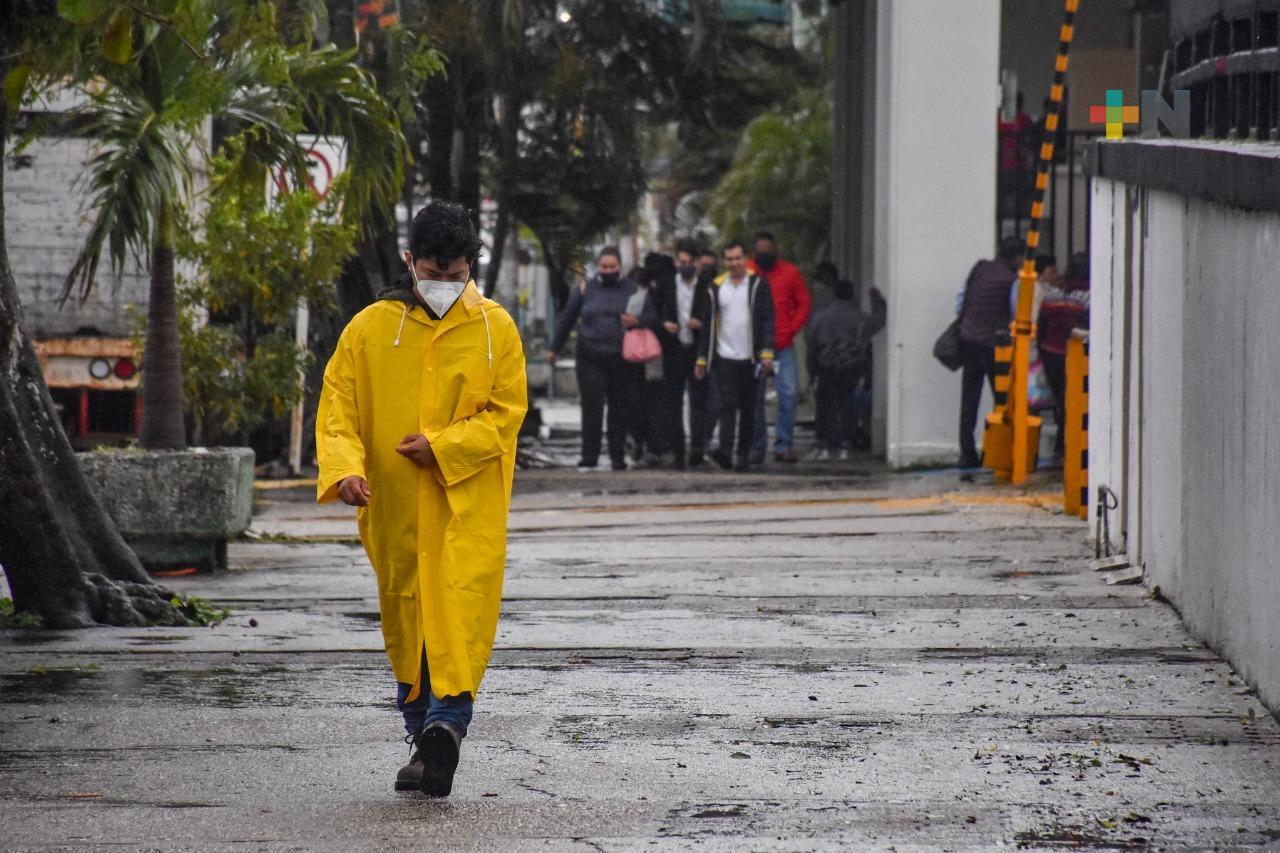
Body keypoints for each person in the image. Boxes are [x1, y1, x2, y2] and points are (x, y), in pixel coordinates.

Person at [315, 201, 527, 797]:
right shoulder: (369, 329)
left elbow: (507, 416)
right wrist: (344, 470)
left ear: (472, 266)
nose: (444, 286)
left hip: (467, 505)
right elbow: (339, 410)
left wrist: (442, 446)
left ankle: (443, 727)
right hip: (397, 504)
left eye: (455, 275)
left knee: (456, 615)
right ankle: (429, 739)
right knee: (409, 617)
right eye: (433, 275)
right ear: (410, 262)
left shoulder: (496, 330)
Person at [549, 247, 648, 471]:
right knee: (592, 407)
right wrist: (555, 348)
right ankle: (589, 456)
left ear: (620, 267)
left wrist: (637, 322)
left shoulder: (633, 290)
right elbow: (567, 317)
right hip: (590, 356)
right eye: (604, 267)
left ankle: (617, 457)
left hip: (622, 359)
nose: (608, 270)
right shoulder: (586, 288)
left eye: (612, 267)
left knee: (619, 408)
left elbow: (649, 317)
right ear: (598, 267)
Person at [695, 241, 774, 472]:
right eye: (729, 259)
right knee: (727, 404)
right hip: (724, 355)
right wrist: (702, 359)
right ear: (724, 261)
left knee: (749, 407)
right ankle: (726, 450)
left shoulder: (758, 284)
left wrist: (767, 353)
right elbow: (708, 326)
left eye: (738, 258)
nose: (734, 263)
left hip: (750, 357)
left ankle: (743, 454)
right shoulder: (717, 288)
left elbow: (768, 319)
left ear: (746, 258)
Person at [957, 235, 1022, 468]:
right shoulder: (1012, 279)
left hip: (969, 339)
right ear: (1017, 258)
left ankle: (967, 453)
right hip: (996, 345)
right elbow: (1016, 311)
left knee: (969, 400)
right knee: (1002, 401)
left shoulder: (980, 268)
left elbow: (960, 301)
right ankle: (998, 450)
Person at [807, 279, 886, 460]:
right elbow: (878, 321)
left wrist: (812, 370)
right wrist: (878, 301)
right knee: (847, 403)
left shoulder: (821, 316)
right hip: (849, 366)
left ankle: (823, 441)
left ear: (834, 294)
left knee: (825, 404)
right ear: (851, 296)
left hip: (825, 365)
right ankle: (845, 441)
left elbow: (812, 344)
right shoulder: (858, 317)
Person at [749, 231, 810, 464]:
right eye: (761, 252)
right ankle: (757, 446)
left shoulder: (790, 273)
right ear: (755, 254)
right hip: (756, 347)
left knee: (789, 394)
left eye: (769, 251)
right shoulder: (747, 272)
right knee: (755, 398)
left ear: (775, 251)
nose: (765, 256)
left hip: (783, 344)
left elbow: (803, 303)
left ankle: (783, 445)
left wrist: (791, 328)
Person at [654, 241, 713, 468]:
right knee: (673, 403)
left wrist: (701, 324)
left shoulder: (707, 287)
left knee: (699, 402)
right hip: (673, 349)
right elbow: (654, 313)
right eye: (681, 262)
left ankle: (696, 450)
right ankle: (678, 452)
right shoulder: (666, 285)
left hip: (697, 350)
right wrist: (664, 325)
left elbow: (715, 318)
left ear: (697, 264)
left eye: (689, 263)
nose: (685, 266)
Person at [1037, 252, 1090, 458]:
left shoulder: (1053, 296)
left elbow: (1042, 325)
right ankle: (1072, 445)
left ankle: (1061, 445)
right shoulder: (1088, 297)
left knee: (1061, 401)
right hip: (1077, 357)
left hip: (1050, 354)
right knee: (1076, 401)